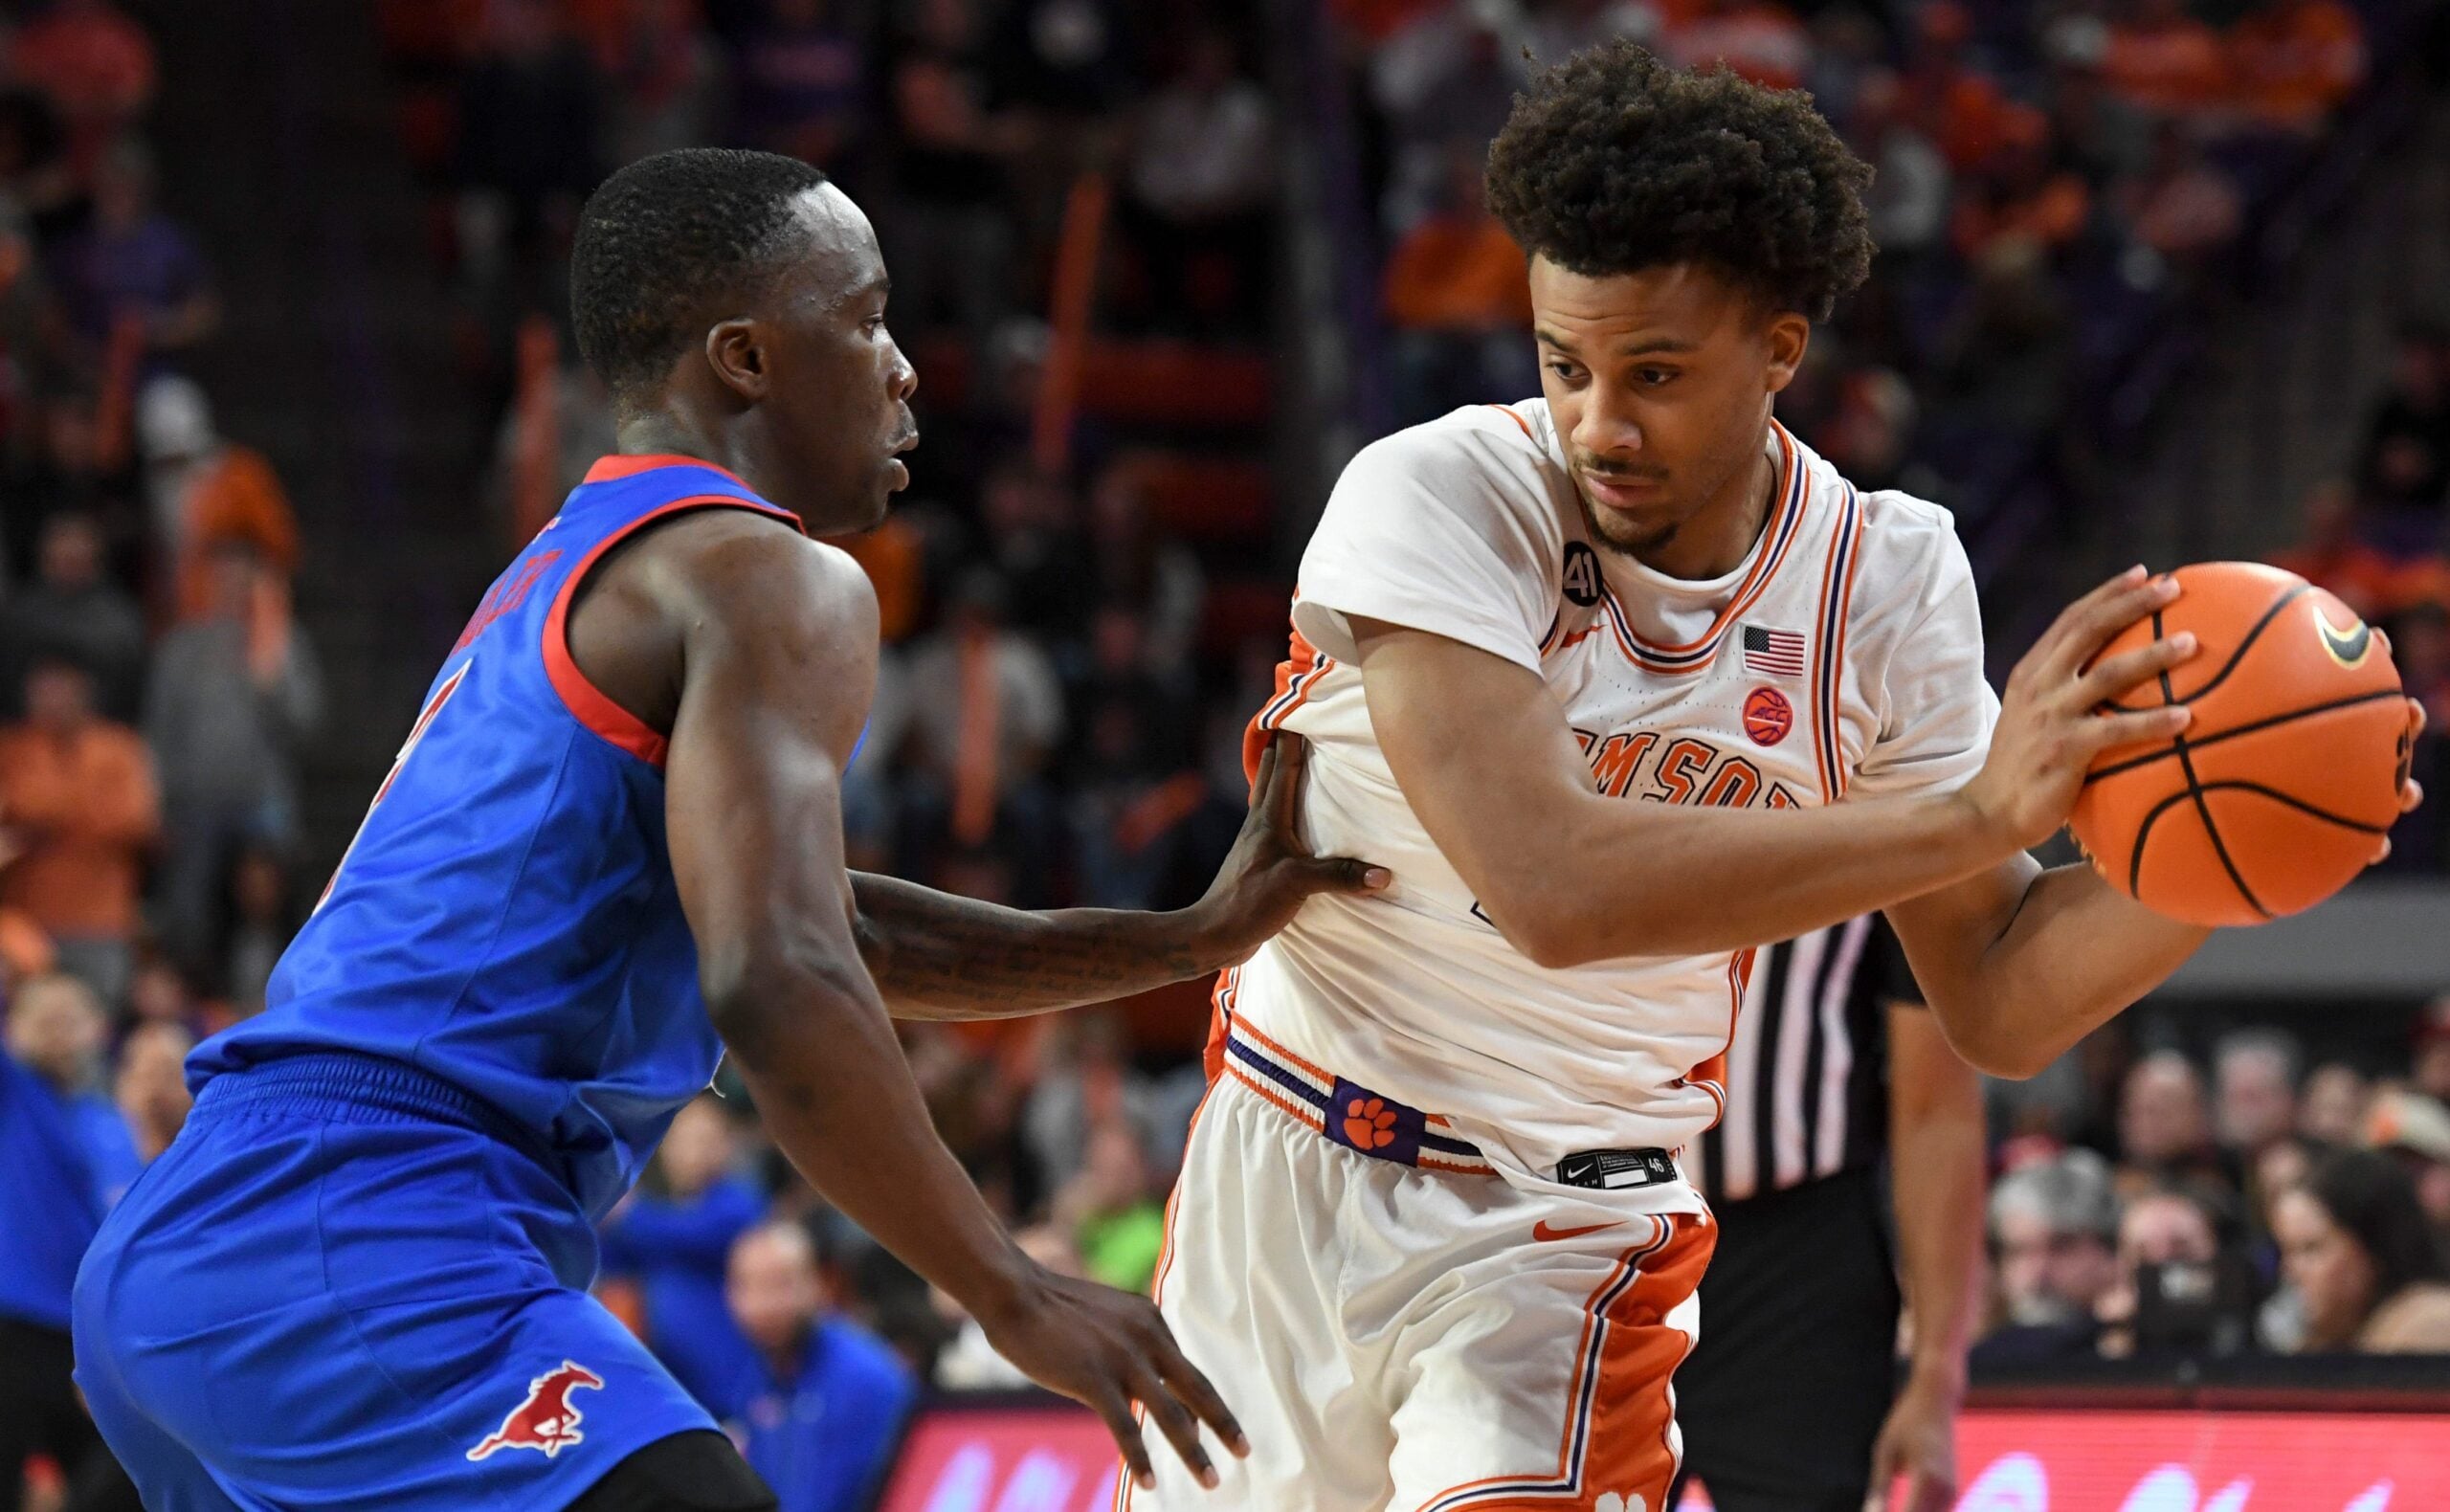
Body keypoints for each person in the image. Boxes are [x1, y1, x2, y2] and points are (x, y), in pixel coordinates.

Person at [1128, 46, 2417, 1511]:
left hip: (1563, 1233)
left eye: (1656, 374)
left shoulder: (1885, 577)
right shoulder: (1436, 496)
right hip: (1283, 1169)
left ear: (1781, 351)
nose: (1599, 422)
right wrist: (1980, 810)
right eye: (1565, 365)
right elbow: (1550, 890)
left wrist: (2243, 852)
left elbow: (1993, 990)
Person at [74, 148, 1387, 1512]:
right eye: (866, 317)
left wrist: (1185, 939)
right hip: (370, 1225)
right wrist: (1010, 1290)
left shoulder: (580, 561)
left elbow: (837, 925)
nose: (905, 368)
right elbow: (778, 978)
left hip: (211, 1237)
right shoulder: (767, 574)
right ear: (748, 358)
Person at [1671, 919, 1986, 1512]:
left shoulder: (1882, 825)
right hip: (1582, 1240)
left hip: (1798, 1268)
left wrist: (1938, 1378)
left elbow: (1935, 1106)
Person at [2, 973, 142, 1512]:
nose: (59, 1031)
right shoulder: (15, 1095)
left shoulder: (109, 1120)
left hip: (92, 1336)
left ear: (98, 1029)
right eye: (46, 1017)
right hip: (18, 1329)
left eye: (72, 1017)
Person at [0, 656, 159, 1007]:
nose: (51, 699)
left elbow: (137, 819)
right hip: (27, 921)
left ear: (84, 692)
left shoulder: (120, 747)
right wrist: (85, 809)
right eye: (42, 689)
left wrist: (45, 817)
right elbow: (13, 807)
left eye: (61, 687)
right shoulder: (12, 748)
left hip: (101, 921)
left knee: (99, 1021)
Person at [724, 1220, 915, 1512]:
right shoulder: (753, 1372)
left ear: (818, 1284)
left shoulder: (866, 1378)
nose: (763, 1304)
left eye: (780, 1284)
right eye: (748, 1286)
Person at [598, 1096, 768, 1420]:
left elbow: (686, 1236)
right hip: (671, 1381)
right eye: (684, 1142)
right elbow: (611, 1260)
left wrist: (624, 1211)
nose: (693, 1153)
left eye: (706, 1141)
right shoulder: (660, 1213)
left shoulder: (739, 1204)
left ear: (726, 1146)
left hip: (731, 1383)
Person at [2273, 1148, 2450, 1352]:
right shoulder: (2330, 1337)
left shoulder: (2430, 1325)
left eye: (2311, 1249)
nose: (2290, 1271)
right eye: (2287, 1251)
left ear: (2371, 1247)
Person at [1973, 1150, 2124, 1365]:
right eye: (2019, 1252)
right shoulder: (1978, 1364)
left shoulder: (2149, 1356)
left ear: (2110, 1252)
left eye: (2061, 1247)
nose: (2038, 1272)